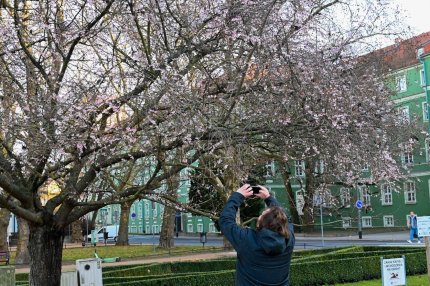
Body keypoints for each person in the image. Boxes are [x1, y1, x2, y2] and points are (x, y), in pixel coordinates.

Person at [219, 184, 295, 286]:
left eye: (261, 216)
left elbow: (225, 221)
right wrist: (269, 198)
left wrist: (237, 196)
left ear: (260, 223)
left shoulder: (247, 239)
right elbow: (287, 218)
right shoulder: (288, 239)